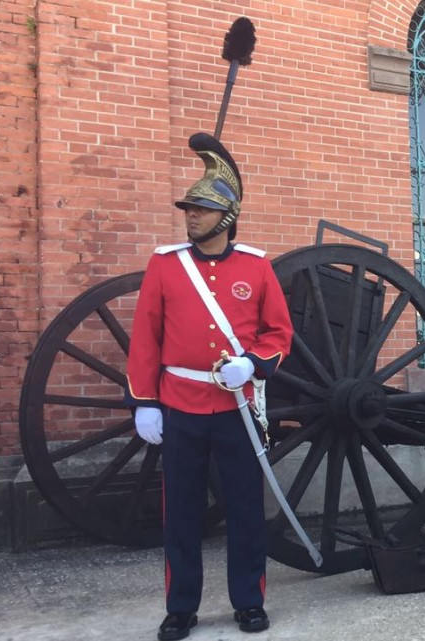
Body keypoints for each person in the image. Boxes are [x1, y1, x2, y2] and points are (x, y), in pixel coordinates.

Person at [125, 133, 293, 641]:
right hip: (180, 405)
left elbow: (278, 332)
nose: (190, 216)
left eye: (200, 209)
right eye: (189, 209)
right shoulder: (164, 264)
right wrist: (144, 403)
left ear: (226, 216)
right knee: (180, 513)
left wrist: (254, 364)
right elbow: (145, 338)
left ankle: (248, 601)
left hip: (236, 406)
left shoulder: (256, 266)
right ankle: (181, 607)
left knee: (244, 509)